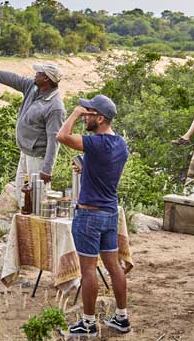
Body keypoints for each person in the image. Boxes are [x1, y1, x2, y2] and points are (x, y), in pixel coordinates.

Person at [56, 94, 131, 337]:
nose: (84, 115)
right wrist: (86, 165)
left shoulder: (96, 143)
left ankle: (87, 323)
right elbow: (104, 167)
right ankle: (122, 317)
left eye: (88, 113)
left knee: (88, 270)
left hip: (89, 215)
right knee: (114, 265)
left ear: (99, 118)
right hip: (110, 212)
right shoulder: (120, 143)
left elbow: (62, 136)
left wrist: (75, 113)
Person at [0, 62, 66, 202]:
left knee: (38, 198)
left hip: (38, 158)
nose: (35, 74)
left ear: (46, 79)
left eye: (38, 73)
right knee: (21, 192)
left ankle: (36, 222)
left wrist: (47, 169)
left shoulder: (56, 107)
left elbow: (54, 140)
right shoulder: (32, 87)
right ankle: (24, 220)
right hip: (25, 152)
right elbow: (12, 78)